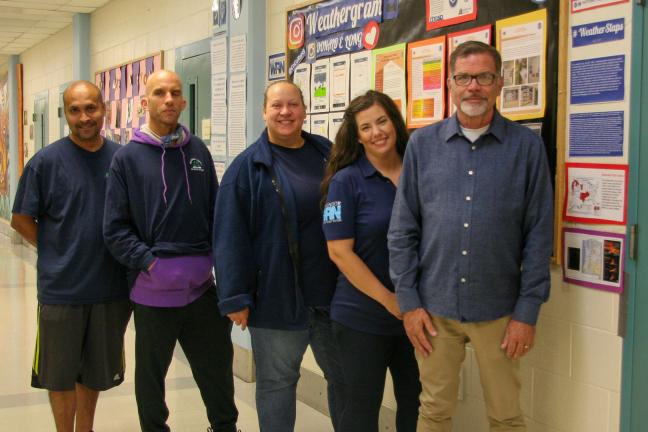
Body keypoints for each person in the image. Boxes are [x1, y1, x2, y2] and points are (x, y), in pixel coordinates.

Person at [388, 41, 554, 432]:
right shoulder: (422, 145)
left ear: (499, 84)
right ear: (450, 84)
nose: (473, 87)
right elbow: (402, 230)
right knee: (433, 411)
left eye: (483, 77)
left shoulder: (526, 148)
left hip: (500, 310)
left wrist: (526, 313)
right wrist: (409, 304)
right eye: (463, 77)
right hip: (433, 310)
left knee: (506, 416)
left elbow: (538, 235)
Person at [103, 70, 238, 432]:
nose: (168, 99)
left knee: (217, 370)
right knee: (151, 380)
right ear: (144, 102)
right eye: (159, 93)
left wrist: (218, 266)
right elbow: (114, 229)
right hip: (152, 292)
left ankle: (224, 427)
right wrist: (149, 263)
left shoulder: (198, 152)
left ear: (183, 101)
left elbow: (215, 215)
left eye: (174, 93)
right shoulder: (126, 159)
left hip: (200, 291)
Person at [213, 80, 344, 432]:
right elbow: (229, 236)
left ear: (304, 108)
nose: (285, 112)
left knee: (347, 380)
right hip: (276, 296)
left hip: (333, 294)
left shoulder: (327, 153)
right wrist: (234, 296)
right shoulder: (248, 168)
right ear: (264, 111)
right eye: (276, 105)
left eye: (293, 104)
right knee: (277, 384)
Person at [11, 81, 130, 432]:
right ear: (66, 114)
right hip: (61, 289)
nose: (84, 117)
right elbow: (21, 219)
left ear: (104, 109)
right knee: (59, 375)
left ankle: (85, 430)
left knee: (95, 372)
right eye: (75, 110)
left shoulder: (122, 159)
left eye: (91, 108)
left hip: (110, 290)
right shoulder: (45, 162)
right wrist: (55, 250)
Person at [321, 90, 420, 432]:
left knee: (418, 405)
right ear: (357, 136)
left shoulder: (418, 171)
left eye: (382, 121)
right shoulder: (345, 182)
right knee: (362, 411)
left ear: (394, 121)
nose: (377, 132)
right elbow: (339, 252)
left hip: (417, 315)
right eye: (366, 127)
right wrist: (389, 300)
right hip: (361, 317)